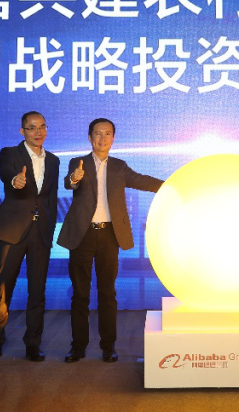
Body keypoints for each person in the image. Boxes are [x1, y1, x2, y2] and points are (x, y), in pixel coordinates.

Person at [58, 118, 162, 363]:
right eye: (98, 133)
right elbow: (69, 183)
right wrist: (75, 178)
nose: (102, 138)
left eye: (107, 134)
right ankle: (78, 347)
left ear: (113, 138)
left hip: (109, 235)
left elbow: (142, 180)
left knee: (107, 293)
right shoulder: (78, 162)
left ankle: (108, 346)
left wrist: (170, 185)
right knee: (80, 294)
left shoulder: (119, 166)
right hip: (82, 235)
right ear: (90, 137)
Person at [0, 111, 59, 363]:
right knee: (3, 288)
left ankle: (33, 344)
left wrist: (49, 229)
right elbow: (6, 174)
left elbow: (50, 198)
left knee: (37, 290)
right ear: (22, 131)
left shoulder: (54, 160)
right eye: (32, 128)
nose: (38, 132)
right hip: (14, 230)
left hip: (41, 232)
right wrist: (15, 180)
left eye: (42, 127)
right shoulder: (10, 153)